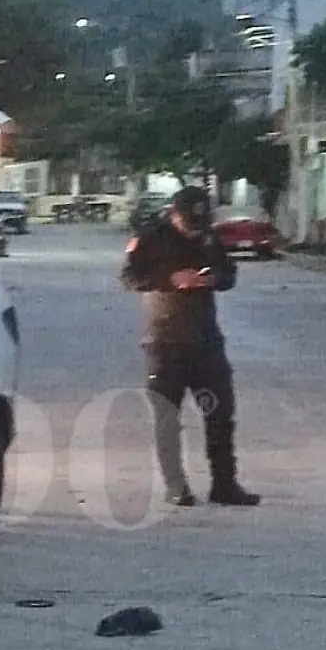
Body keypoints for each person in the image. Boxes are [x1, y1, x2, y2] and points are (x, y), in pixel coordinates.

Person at [119, 185, 261, 508]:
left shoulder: (208, 237)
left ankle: (224, 485)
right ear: (174, 215)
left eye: (200, 223)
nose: (195, 231)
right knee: (168, 416)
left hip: (206, 342)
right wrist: (171, 279)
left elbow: (229, 274)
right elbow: (129, 278)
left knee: (220, 413)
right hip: (165, 343)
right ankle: (176, 486)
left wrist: (212, 279)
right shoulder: (151, 237)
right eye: (189, 224)